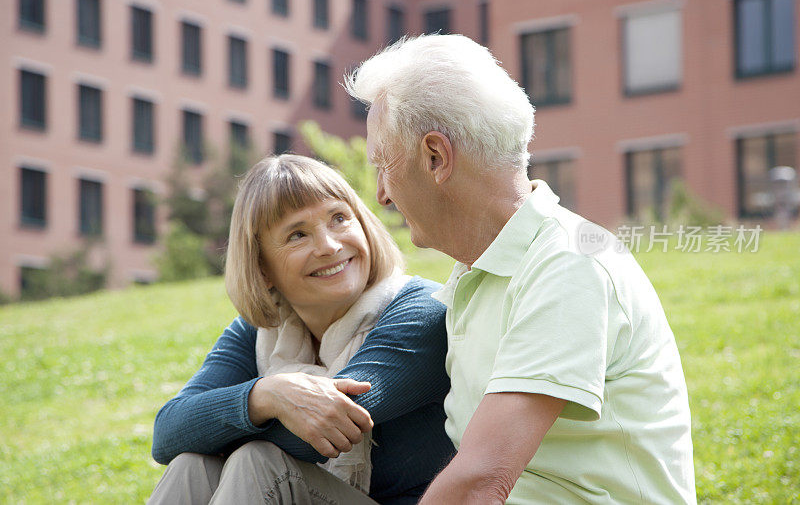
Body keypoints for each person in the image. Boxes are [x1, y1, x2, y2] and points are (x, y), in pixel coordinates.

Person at [345, 34, 697, 504]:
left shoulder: (571, 261)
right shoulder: (477, 274)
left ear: (436, 157)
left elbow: (481, 482)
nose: (381, 195)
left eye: (384, 166)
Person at [148, 154, 455, 504]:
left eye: (339, 218)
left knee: (260, 463)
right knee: (192, 464)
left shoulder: (419, 310)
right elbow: (168, 434)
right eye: (297, 234)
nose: (328, 245)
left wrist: (218, 424)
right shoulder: (261, 332)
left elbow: (325, 430)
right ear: (262, 268)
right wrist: (265, 395)